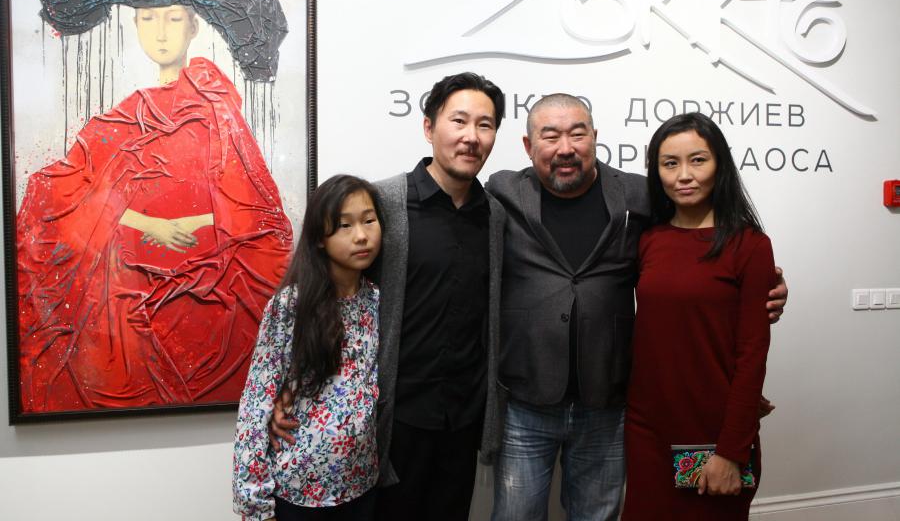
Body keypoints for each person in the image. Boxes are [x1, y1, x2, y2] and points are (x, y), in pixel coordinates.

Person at [487, 95, 787, 521]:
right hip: (543, 402)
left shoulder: (639, 197)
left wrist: (767, 290)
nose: (565, 147)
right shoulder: (502, 192)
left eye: (577, 133)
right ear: (528, 145)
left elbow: (737, 325)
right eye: (550, 136)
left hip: (613, 404)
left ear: (595, 137)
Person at [16, 4, 293, 411]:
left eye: (173, 18)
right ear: (135, 25)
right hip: (131, 294)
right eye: (148, 19)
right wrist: (148, 225)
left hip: (205, 299)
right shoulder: (125, 116)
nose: (160, 31)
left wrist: (193, 224)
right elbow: (61, 192)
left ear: (193, 26)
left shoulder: (218, 108)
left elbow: (255, 208)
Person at [270, 72, 507, 521]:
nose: (471, 137)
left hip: (463, 419)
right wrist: (289, 385)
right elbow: (324, 290)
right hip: (393, 419)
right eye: (459, 121)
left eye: (485, 124)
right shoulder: (383, 204)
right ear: (428, 127)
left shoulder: (494, 214)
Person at [622, 113, 774, 520]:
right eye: (670, 163)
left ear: (720, 165)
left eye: (698, 160)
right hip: (647, 428)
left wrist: (732, 449)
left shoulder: (750, 246)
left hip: (714, 431)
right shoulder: (648, 239)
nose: (684, 175)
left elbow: (752, 354)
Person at [233, 174, 383, 521]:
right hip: (298, 493)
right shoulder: (292, 305)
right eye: (344, 225)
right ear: (319, 238)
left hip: (362, 488)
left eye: (369, 220)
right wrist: (255, 504)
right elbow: (256, 402)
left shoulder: (378, 301)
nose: (361, 236)